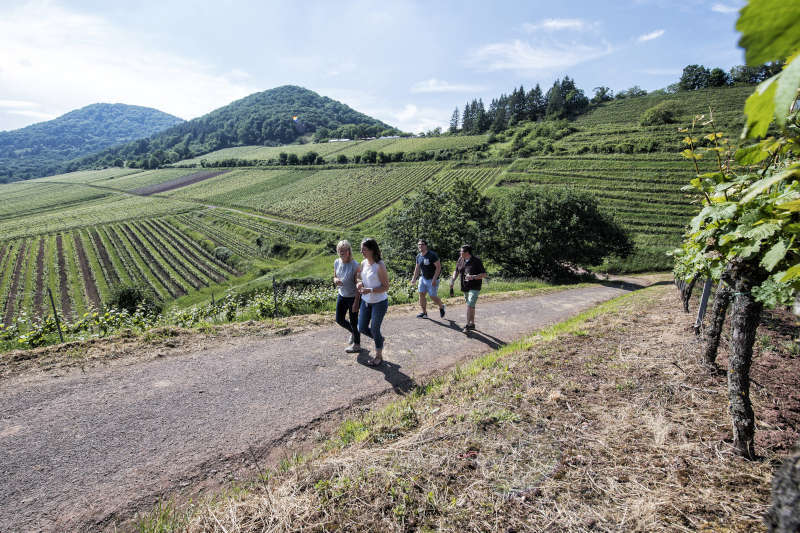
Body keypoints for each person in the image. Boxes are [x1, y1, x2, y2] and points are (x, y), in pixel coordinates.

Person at [356, 238, 390, 366]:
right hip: (366, 301)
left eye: (364, 249)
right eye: (361, 249)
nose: (361, 251)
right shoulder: (364, 263)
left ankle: (379, 356)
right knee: (362, 327)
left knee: (375, 329)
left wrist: (369, 290)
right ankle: (379, 339)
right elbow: (362, 279)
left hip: (379, 302)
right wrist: (360, 284)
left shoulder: (379, 265)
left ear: (372, 250)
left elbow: (386, 287)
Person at [450, 244, 487, 331]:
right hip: (465, 286)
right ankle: (472, 323)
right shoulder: (460, 259)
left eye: (461, 251)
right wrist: (453, 279)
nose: (460, 252)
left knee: (470, 304)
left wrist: (473, 277)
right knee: (471, 305)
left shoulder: (476, 261)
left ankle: (467, 325)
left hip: (475, 286)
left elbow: (484, 274)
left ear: (467, 252)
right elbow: (456, 271)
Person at [333, 240, 361, 353]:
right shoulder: (336, 262)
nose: (341, 252)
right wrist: (335, 280)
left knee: (354, 322)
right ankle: (353, 333)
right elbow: (334, 276)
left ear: (349, 251)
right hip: (342, 295)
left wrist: (356, 302)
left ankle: (357, 345)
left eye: (344, 250)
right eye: (339, 250)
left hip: (353, 297)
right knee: (339, 319)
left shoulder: (355, 265)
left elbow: (359, 285)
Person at [410, 239, 445, 319]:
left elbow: (438, 267)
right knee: (421, 294)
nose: (420, 246)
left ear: (426, 246)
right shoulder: (418, 256)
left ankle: (441, 306)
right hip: (423, 278)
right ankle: (424, 313)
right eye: (419, 245)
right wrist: (414, 278)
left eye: (422, 244)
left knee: (432, 296)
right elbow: (417, 268)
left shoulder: (432, 255)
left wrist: (434, 279)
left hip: (432, 279)